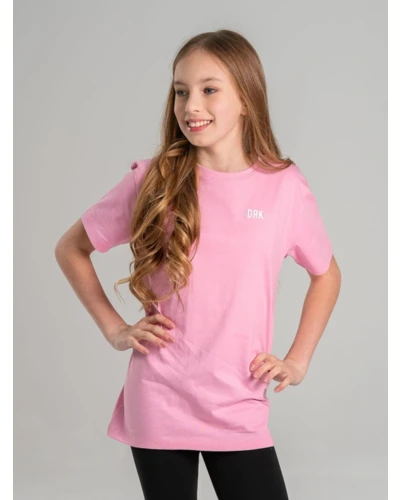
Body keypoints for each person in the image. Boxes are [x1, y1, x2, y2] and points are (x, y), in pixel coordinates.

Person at [55, 29, 341, 500]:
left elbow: (326, 274)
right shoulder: (154, 180)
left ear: (246, 97)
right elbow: (71, 248)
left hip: (238, 400)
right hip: (159, 396)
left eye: (209, 90)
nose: (191, 106)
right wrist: (115, 329)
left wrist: (298, 360)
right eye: (181, 91)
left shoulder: (284, 187)